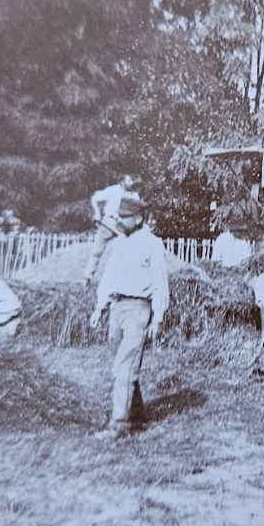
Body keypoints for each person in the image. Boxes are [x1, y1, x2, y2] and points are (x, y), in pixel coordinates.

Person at [88, 196, 170, 439]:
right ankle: (137, 413)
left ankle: (119, 424)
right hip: (117, 307)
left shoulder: (152, 244)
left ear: (138, 218)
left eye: (124, 218)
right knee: (121, 364)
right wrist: (99, 307)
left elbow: (160, 283)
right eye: (118, 218)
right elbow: (108, 278)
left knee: (124, 366)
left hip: (138, 309)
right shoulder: (119, 244)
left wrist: (158, 318)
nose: (120, 222)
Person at [83, 174, 142, 280]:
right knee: (97, 251)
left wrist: (135, 224)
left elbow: (138, 215)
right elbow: (94, 199)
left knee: (125, 254)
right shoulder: (112, 190)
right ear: (122, 181)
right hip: (108, 223)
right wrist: (97, 213)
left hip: (123, 227)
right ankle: (87, 278)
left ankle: (124, 282)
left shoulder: (135, 196)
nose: (131, 183)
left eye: (132, 180)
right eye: (129, 180)